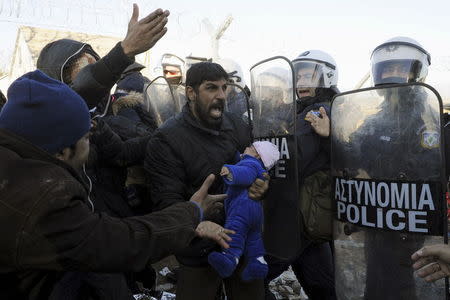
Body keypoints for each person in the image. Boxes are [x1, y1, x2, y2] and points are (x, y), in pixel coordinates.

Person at [0, 70, 233, 299]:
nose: (91, 145)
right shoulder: (43, 199)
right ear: (62, 150)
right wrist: (192, 212)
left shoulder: (15, 165)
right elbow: (119, 243)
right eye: (86, 138)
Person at [145, 62, 269, 300]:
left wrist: (261, 185)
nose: (221, 96)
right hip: (197, 249)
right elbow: (166, 202)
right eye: (212, 88)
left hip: (241, 241)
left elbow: (254, 167)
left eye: (224, 88)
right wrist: (198, 222)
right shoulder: (166, 139)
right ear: (190, 93)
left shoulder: (237, 125)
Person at [264, 50, 338, 300]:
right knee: (323, 285)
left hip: (302, 209)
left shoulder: (320, 109)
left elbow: (294, 153)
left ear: (327, 76)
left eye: (309, 75)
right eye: (299, 76)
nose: (302, 82)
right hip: (307, 213)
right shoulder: (303, 109)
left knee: (257, 272)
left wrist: (258, 151)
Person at [208, 141, 280, 281]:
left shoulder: (251, 163)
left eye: (251, 147)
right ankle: (258, 261)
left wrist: (230, 171)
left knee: (234, 231)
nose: (246, 147)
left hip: (241, 208)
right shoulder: (262, 169)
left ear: (258, 155)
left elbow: (245, 174)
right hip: (256, 211)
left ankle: (230, 258)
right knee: (254, 237)